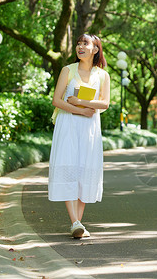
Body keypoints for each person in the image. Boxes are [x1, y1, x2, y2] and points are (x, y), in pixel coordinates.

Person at [48, 34, 110, 238]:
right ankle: (74, 222)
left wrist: (85, 105)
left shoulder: (103, 75)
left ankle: (77, 224)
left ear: (95, 50)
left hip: (90, 128)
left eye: (86, 44)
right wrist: (77, 109)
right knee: (69, 168)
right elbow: (56, 100)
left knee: (85, 170)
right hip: (68, 125)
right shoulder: (68, 70)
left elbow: (105, 103)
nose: (80, 47)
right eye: (78, 44)